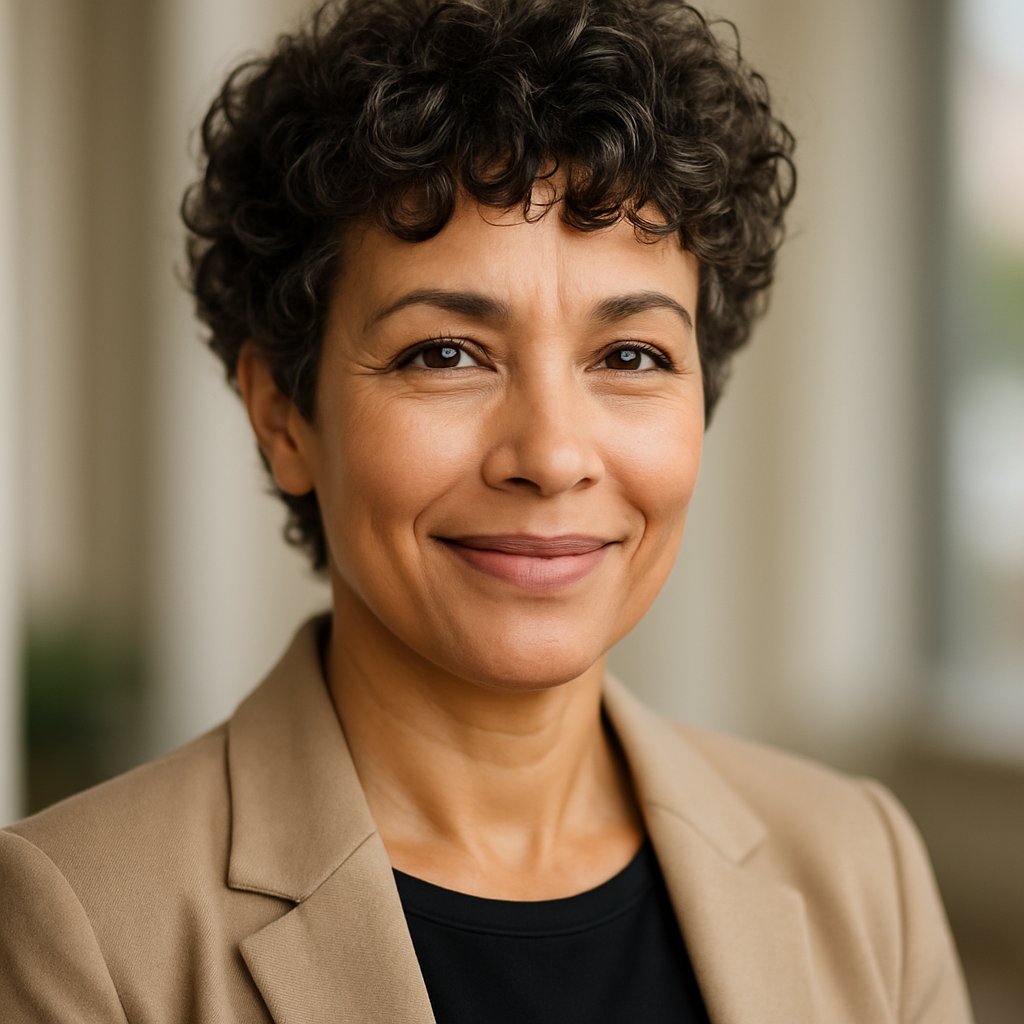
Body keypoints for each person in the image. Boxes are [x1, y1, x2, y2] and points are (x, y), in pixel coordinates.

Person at [0, 1, 973, 1021]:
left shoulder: (862, 869)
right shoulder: (76, 927)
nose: (551, 455)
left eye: (630, 356)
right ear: (283, 413)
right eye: (444, 353)